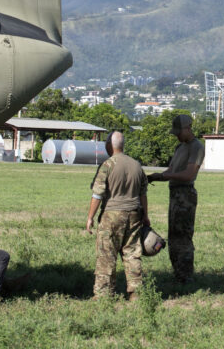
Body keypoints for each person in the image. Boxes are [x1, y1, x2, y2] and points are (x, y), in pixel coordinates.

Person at [85, 131, 149, 300]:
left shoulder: (107, 165)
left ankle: (104, 295)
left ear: (109, 145)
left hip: (111, 215)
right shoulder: (137, 165)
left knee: (107, 254)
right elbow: (143, 194)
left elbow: (97, 194)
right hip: (135, 213)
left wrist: (90, 217)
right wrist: (146, 215)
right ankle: (136, 293)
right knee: (132, 253)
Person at [147, 113, 204, 284]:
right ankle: (177, 274)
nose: (177, 135)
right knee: (173, 236)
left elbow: (189, 174)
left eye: (179, 132)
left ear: (188, 128)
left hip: (185, 194)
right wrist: (153, 177)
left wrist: (163, 177)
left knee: (183, 237)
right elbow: (170, 171)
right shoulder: (179, 148)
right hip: (174, 194)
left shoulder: (196, 147)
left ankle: (185, 277)